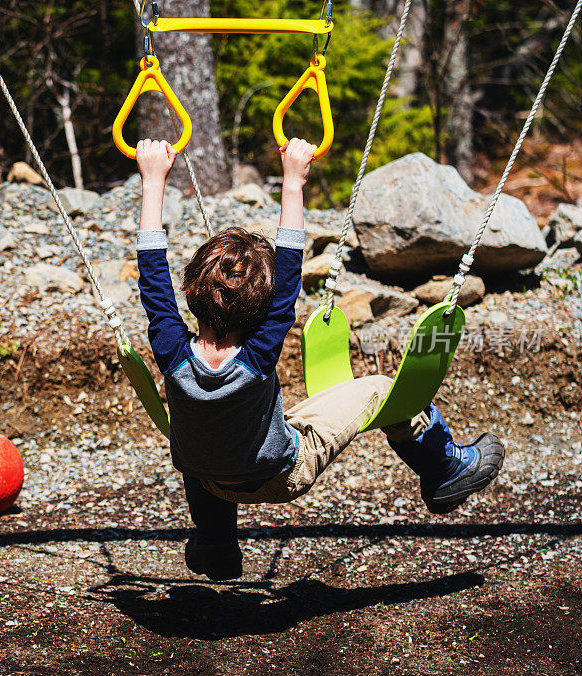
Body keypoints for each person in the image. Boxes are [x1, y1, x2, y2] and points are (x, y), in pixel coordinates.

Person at [134, 138, 505, 581]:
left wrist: (152, 181)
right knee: (384, 390)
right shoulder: (258, 355)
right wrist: (293, 180)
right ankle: (444, 468)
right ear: (264, 308)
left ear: (191, 292)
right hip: (282, 473)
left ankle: (216, 544)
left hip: (213, 479)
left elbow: (153, 277)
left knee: (200, 433)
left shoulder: (171, 352)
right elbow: (289, 269)